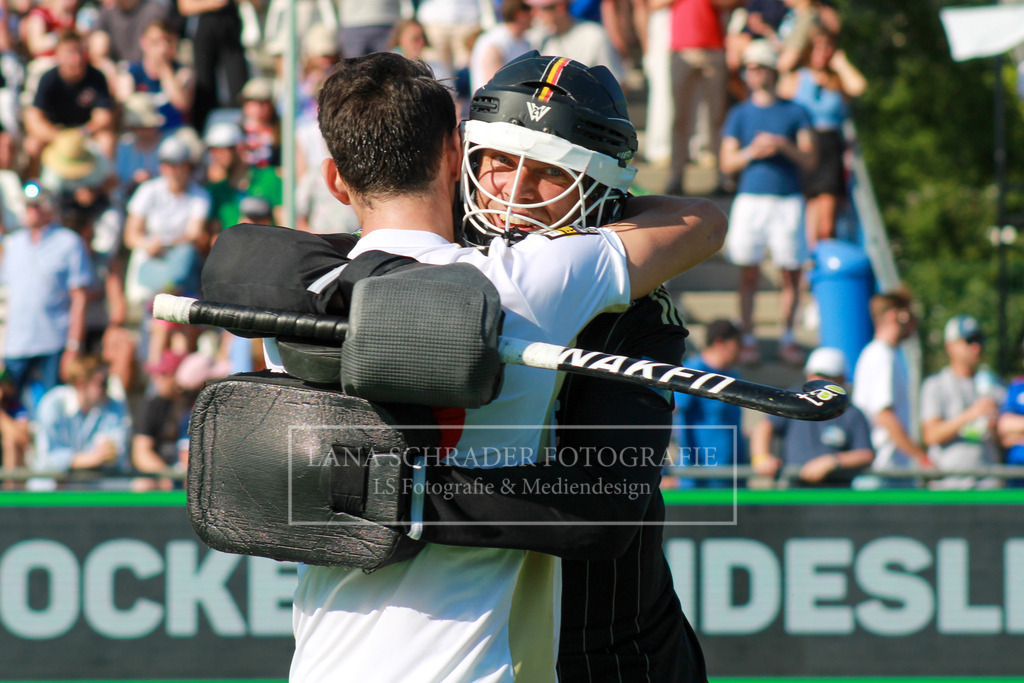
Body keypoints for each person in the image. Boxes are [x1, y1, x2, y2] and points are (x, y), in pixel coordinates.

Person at [288, 51, 726, 682]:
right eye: (497, 163)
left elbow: (603, 505)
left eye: (550, 173)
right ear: (459, 158)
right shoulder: (409, 271)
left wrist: (384, 494)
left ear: (599, 188)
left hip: (609, 649)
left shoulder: (628, 313)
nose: (513, 191)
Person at [719, 38, 815, 366]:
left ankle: (788, 336)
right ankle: (747, 337)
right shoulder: (739, 113)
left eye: (757, 67)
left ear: (771, 71)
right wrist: (752, 152)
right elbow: (726, 162)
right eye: (748, 67)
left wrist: (782, 146)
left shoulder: (795, 111)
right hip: (751, 199)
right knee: (748, 271)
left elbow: (810, 158)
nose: (751, 73)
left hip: (788, 200)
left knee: (791, 272)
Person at [1, 185, 93, 412]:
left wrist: (74, 345)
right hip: (16, 344)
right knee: (8, 409)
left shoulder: (69, 242)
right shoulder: (13, 244)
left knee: (51, 409)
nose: (31, 211)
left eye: (36, 206)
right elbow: (5, 297)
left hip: (53, 341)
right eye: (28, 206)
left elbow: (79, 299)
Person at [777, 24, 865, 249]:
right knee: (809, 214)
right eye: (817, 48)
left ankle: (824, 260)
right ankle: (810, 263)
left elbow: (859, 87)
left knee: (827, 222)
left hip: (831, 148)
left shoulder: (837, 81)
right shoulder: (797, 78)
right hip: (805, 146)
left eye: (827, 48)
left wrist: (841, 64)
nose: (822, 53)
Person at [750, 346, 874, 486]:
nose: (818, 381)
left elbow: (865, 454)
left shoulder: (851, 413)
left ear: (841, 379)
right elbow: (764, 427)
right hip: (795, 491)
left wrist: (833, 461)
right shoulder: (795, 400)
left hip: (835, 497)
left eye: (826, 377)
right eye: (814, 375)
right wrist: (761, 457)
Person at [852, 290, 931, 486]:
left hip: (886, 470)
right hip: (884, 471)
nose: (914, 323)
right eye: (910, 316)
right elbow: (884, 415)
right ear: (895, 317)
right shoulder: (882, 355)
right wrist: (921, 457)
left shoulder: (882, 354)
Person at [659, 0, 735, 195]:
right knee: (680, 117)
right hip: (682, 50)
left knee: (717, 117)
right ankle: (676, 177)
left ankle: (723, 177)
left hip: (714, 48)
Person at [920, 315, 1003, 488]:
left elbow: (1002, 438)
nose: (976, 347)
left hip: (988, 485)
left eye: (979, 340)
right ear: (950, 346)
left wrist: (996, 426)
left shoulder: (994, 383)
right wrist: (971, 414)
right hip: (950, 486)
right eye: (969, 340)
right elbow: (931, 435)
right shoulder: (935, 385)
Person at [31, 354, 131, 487]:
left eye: (108, 381)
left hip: (95, 486)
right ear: (81, 383)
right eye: (102, 382)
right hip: (57, 487)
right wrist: (92, 458)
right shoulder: (53, 404)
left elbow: (115, 454)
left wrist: (91, 459)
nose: (108, 388)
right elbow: (47, 460)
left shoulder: (114, 406)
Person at [24, 30, 117, 172]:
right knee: (32, 145)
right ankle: (34, 189)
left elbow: (104, 117)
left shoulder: (97, 78)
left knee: (106, 140)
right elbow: (34, 119)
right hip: (55, 132)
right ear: (58, 55)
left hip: (86, 133)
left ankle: (104, 187)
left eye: (79, 52)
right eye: (70, 53)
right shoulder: (48, 79)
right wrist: (58, 136)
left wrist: (82, 132)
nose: (76, 58)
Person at [669, 318, 746, 487]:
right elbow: (670, 411)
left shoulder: (734, 375)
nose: (741, 349)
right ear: (720, 343)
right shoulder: (693, 372)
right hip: (699, 479)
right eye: (737, 343)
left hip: (731, 477)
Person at [121, 19, 194, 133]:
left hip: (173, 132)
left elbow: (182, 105)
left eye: (167, 42)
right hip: (141, 135)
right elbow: (124, 107)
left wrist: (165, 70)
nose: (162, 49)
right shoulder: (130, 72)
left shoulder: (183, 73)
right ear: (143, 42)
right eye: (156, 42)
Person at [526, 0, 624, 84]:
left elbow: (616, 82)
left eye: (541, 9)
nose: (534, 14)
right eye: (530, 8)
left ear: (561, 8)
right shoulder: (535, 37)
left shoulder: (594, 35)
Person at [468, 0, 532, 93]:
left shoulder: (525, 42)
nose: (535, 14)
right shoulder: (494, 42)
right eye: (531, 10)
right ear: (519, 14)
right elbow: (496, 86)